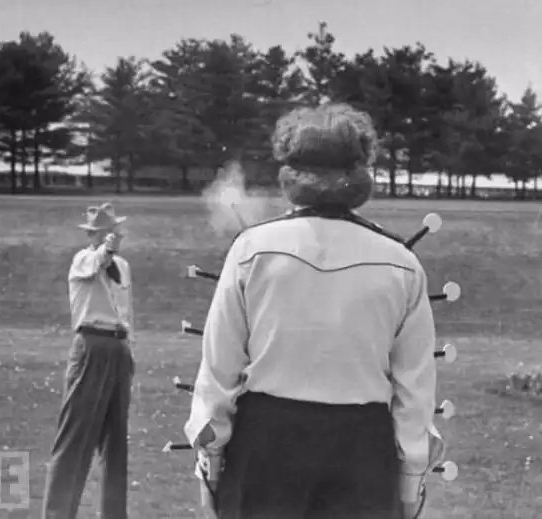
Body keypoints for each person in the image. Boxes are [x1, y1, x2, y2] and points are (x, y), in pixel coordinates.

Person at [184, 103, 445, 519]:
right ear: (360, 172)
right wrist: (412, 482)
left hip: (265, 448)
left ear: (290, 172)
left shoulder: (251, 251)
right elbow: (414, 391)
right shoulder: (402, 264)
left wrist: (209, 465)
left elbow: (219, 371)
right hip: (363, 454)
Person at [42, 202, 135, 519]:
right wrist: (107, 249)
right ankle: (57, 513)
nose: (111, 235)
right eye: (105, 231)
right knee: (75, 436)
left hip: (118, 347)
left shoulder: (123, 266)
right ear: (95, 234)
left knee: (115, 441)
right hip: (91, 344)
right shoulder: (84, 258)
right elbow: (98, 262)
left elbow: (126, 309)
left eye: (112, 230)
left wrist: (129, 349)